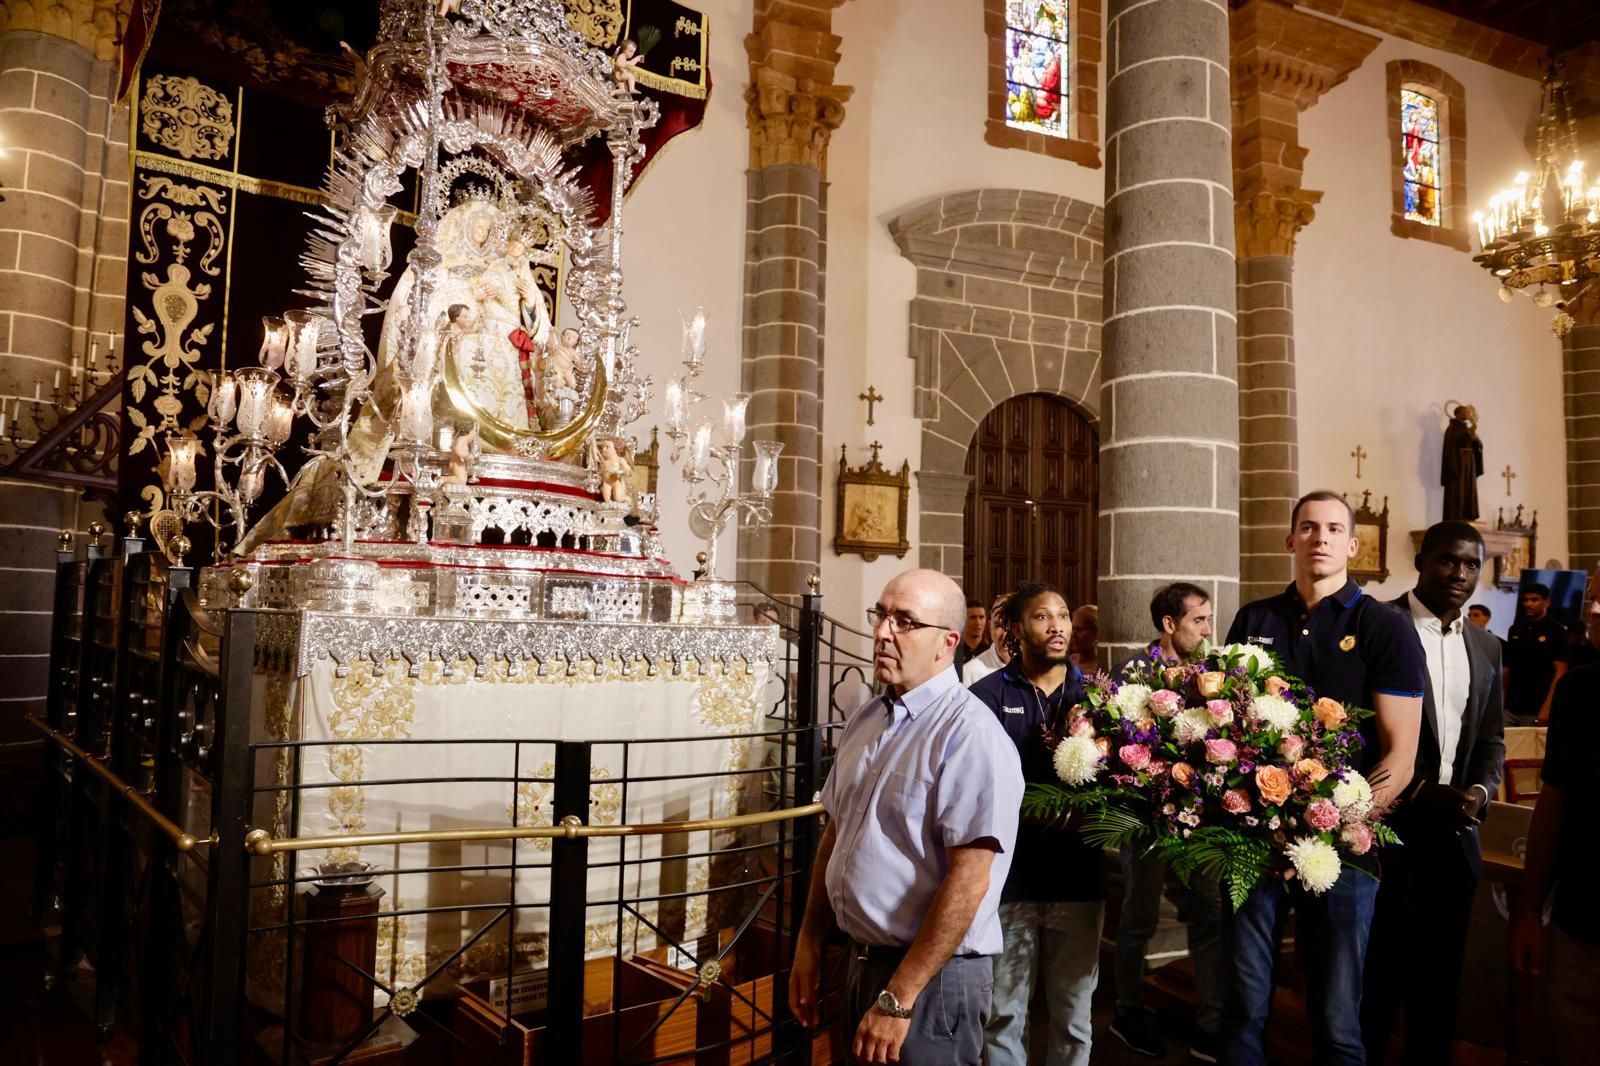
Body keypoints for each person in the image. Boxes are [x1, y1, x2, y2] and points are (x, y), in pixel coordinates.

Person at [1221, 490, 1424, 1066]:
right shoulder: (1255, 619)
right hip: (1253, 840)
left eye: (1334, 529)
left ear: (1353, 545)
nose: (1320, 539)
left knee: (1337, 1019)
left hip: (1342, 849)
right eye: (1308, 528)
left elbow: (1399, 756)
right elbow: (1227, 731)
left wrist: (1333, 831)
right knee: (1242, 1008)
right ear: (1290, 541)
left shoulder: (1384, 627)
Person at [789, 569, 1024, 1066]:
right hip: (863, 960)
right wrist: (809, 941)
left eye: (905, 621)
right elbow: (837, 833)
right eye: (881, 615)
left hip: (932, 980)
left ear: (947, 643)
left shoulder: (971, 736)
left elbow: (969, 881)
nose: (881, 632)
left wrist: (899, 997)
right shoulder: (868, 717)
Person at [1361, 521, 1505, 1066]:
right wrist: (1418, 790)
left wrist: (1480, 792)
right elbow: (1354, 731)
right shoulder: (1380, 624)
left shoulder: (1488, 645)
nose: (1460, 574)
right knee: (1378, 982)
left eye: (1472, 565)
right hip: (1385, 830)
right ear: (1422, 560)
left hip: (1454, 838)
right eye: (1448, 561)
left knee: (1439, 987)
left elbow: (1490, 738)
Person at [969, 582, 1104, 1066]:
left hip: (1078, 877)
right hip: (1009, 880)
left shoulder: (1096, 698)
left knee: (1074, 1015)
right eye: (1042, 617)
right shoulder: (983, 697)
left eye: (1064, 615)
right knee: (1003, 1015)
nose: (1057, 626)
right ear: (1015, 631)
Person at [1111, 582, 1225, 1062]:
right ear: (1168, 623)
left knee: (1210, 914)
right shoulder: (1134, 672)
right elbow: (1115, 740)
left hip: (1199, 816)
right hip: (1147, 816)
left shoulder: (1213, 672)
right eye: (1198, 620)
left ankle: (1212, 1024)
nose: (1206, 629)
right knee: (1139, 914)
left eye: (1206, 620)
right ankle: (1126, 1011)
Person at [1508, 659, 1600, 1066]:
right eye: (1596, 597)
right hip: (1579, 919)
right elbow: (1552, 808)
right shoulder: (1579, 691)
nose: (1596, 610)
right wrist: (1528, 911)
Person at [1503, 582, 1568, 725]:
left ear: (1546, 602)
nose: (1528, 604)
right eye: (1525, 600)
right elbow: (1507, 668)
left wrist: (1548, 707)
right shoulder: (1515, 629)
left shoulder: (1556, 631)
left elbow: (1560, 671)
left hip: (1537, 707)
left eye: (1534, 600)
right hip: (1510, 706)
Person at [961, 594, 1012, 686]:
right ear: (990, 627)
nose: (1005, 635)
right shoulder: (970, 672)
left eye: (1011, 626)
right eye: (999, 626)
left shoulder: (1039, 670)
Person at [953, 598, 989, 677]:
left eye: (981, 617)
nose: (978, 623)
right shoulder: (955, 652)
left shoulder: (990, 651)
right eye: (973, 617)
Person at [1069, 604, 1098, 673]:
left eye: (1079, 630)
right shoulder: (1069, 661)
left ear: (1095, 633)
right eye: (1073, 628)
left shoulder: (1101, 667)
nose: (1073, 634)